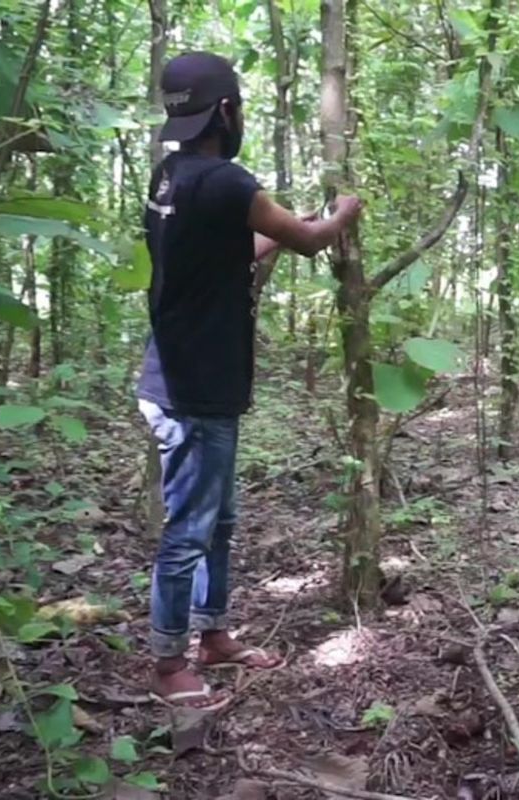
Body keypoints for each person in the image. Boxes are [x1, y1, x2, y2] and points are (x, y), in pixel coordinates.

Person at [137, 51, 363, 709]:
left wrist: (291, 233)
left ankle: (214, 635)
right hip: (193, 389)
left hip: (187, 376)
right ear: (228, 111)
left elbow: (234, 249)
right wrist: (342, 212)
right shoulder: (230, 183)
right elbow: (311, 239)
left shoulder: (171, 177)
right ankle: (168, 661)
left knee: (220, 521)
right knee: (189, 528)